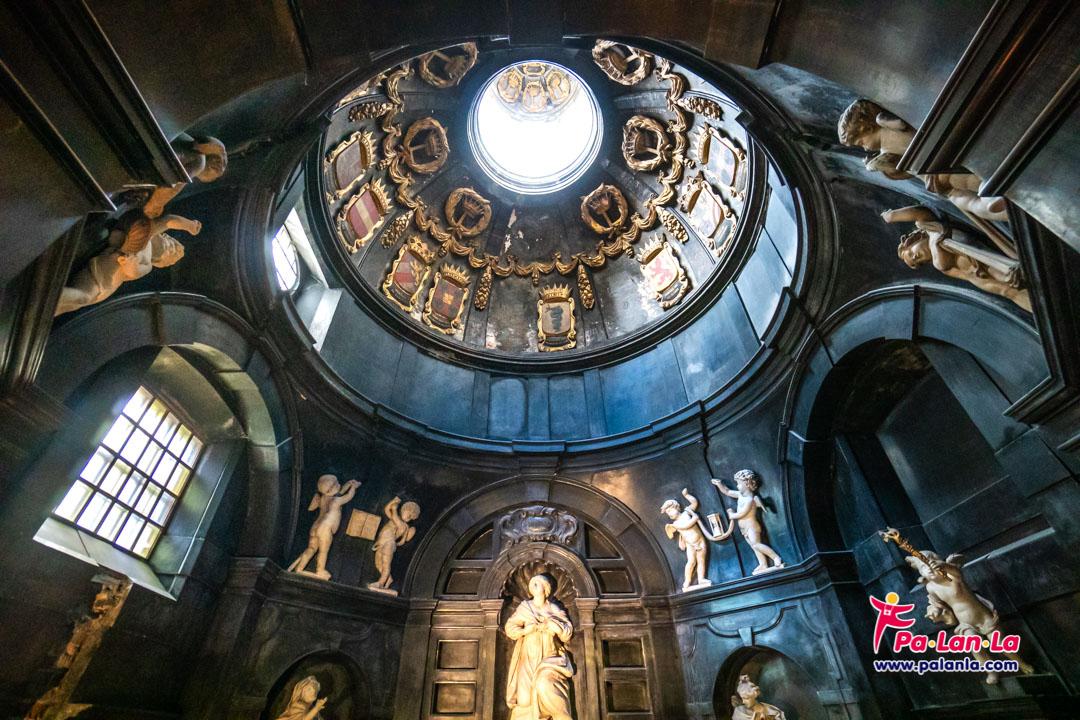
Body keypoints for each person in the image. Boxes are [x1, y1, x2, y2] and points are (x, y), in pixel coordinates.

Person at [504, 574, 575, 720]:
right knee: (525, 699)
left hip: (549, 658)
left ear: (546, 588)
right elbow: (510, 627)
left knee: (546, 686)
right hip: (528, 657)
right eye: (532, 582)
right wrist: (525, 631)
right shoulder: (525, 607)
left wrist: (555, 626)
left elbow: (567, 633)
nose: (533, 585)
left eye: (538, 582)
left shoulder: (554, 609)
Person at [287, 475, 360, 580]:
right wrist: (353, 487)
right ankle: (320, 570)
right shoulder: (336, 501)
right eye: (337, 484)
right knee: (323, 550)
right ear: (330, 490)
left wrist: (348, 484)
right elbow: (348, 496)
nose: (339, 484)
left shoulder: (323, 498)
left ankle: (300, 568)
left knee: (311, 548)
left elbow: (339, 492)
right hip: (325, 528)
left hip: (315, 527)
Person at [712, 470, 784, 575]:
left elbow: (742, 514)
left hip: (752, 527)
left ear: (747, 484)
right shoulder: (740, 495)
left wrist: (732, 515)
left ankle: (776, 557)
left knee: (756, 544)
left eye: (738, 483)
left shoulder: (750, 500)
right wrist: (720, 485)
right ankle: (763, 564)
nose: (737, 486)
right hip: (744, 528)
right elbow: (727, 491)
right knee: (753, 546)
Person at [661, 488, 731, 591]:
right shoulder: (675, 524)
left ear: (677, 507)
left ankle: (701, 579)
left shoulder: (686, 513)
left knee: (701, 560)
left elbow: (694, 503)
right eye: (668, 513)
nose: (669, 514)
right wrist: (695, 518)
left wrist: (686, 495)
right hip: (690, 545)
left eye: (670, 510)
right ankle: (687, 581)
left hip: (700, 541)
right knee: (691, 562)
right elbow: (686, 526)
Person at [370, 496, 420, 591]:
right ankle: (389, 579)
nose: (408, 517)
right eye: (408, 513)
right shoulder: (394, 519)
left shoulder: (403, 525)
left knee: (386, 564)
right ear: (403, 510)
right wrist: (393, 501)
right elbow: (387, 510)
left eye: (410, 517)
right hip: (381, 543)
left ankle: (380, 583)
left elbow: (394, 515)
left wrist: (394, 507)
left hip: (389, 543)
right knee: (378, 564)